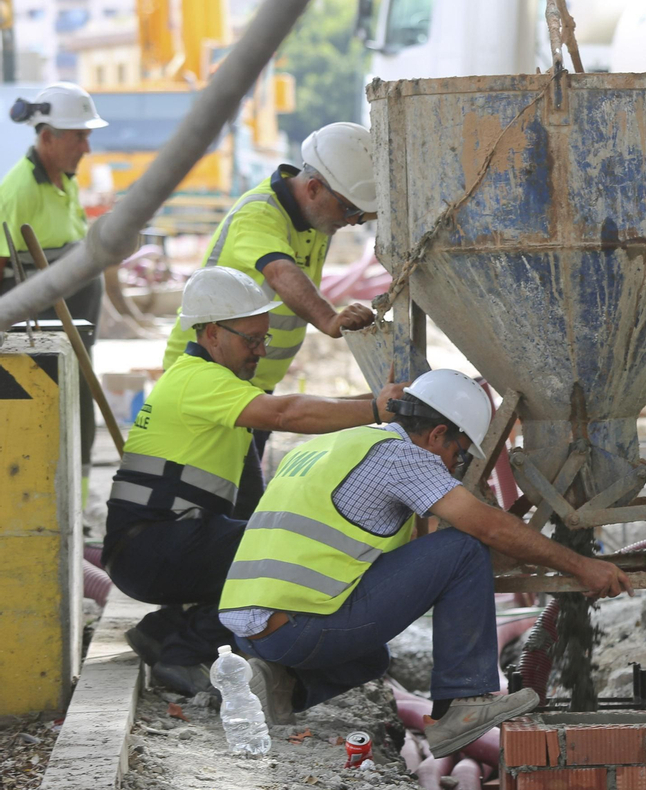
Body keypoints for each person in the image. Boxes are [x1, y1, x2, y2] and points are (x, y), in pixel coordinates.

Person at [219, 369, 631, 755]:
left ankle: (275, 683)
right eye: (461, 454)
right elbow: (485, 529)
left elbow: (404, 558)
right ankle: (460, 704)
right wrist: (580, 565)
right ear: (437, 434)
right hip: (300, 628)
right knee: (463, 547)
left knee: (372, 658)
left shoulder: (329, 445)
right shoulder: (402, 457)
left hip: (251, 631)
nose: (456, 466)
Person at [106, 267, 407, 693]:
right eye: (251, 339)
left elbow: (293, 408)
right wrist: (377, 412)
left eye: (263, 338)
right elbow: (287, 413)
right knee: (274, 555)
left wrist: (376, 403)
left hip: (151, 547)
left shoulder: (207, 383)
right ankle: (185, 652)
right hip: (150, 550)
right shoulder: (199, 380)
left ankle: (163, 630)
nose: (261, 351)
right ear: (212, 334)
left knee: (257, 541)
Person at [163, 122, 382, 516]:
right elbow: (281, 274)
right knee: (229, 508)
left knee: (234, 506)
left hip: (250, 380)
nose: (351, 221)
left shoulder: (315, 218)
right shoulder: (259, 214)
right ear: (313, 188)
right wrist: (329, 320)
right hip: (206, 376)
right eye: (348, 209)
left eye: (359, 216)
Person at [1, 83, 108, 470]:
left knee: (80, 417)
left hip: (74, 334)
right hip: (40, 339)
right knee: (46, 427)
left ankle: (79, 514)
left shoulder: (67, 180)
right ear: (48, 137)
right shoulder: (19, 191)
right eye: (80, 136)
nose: (87, 148)